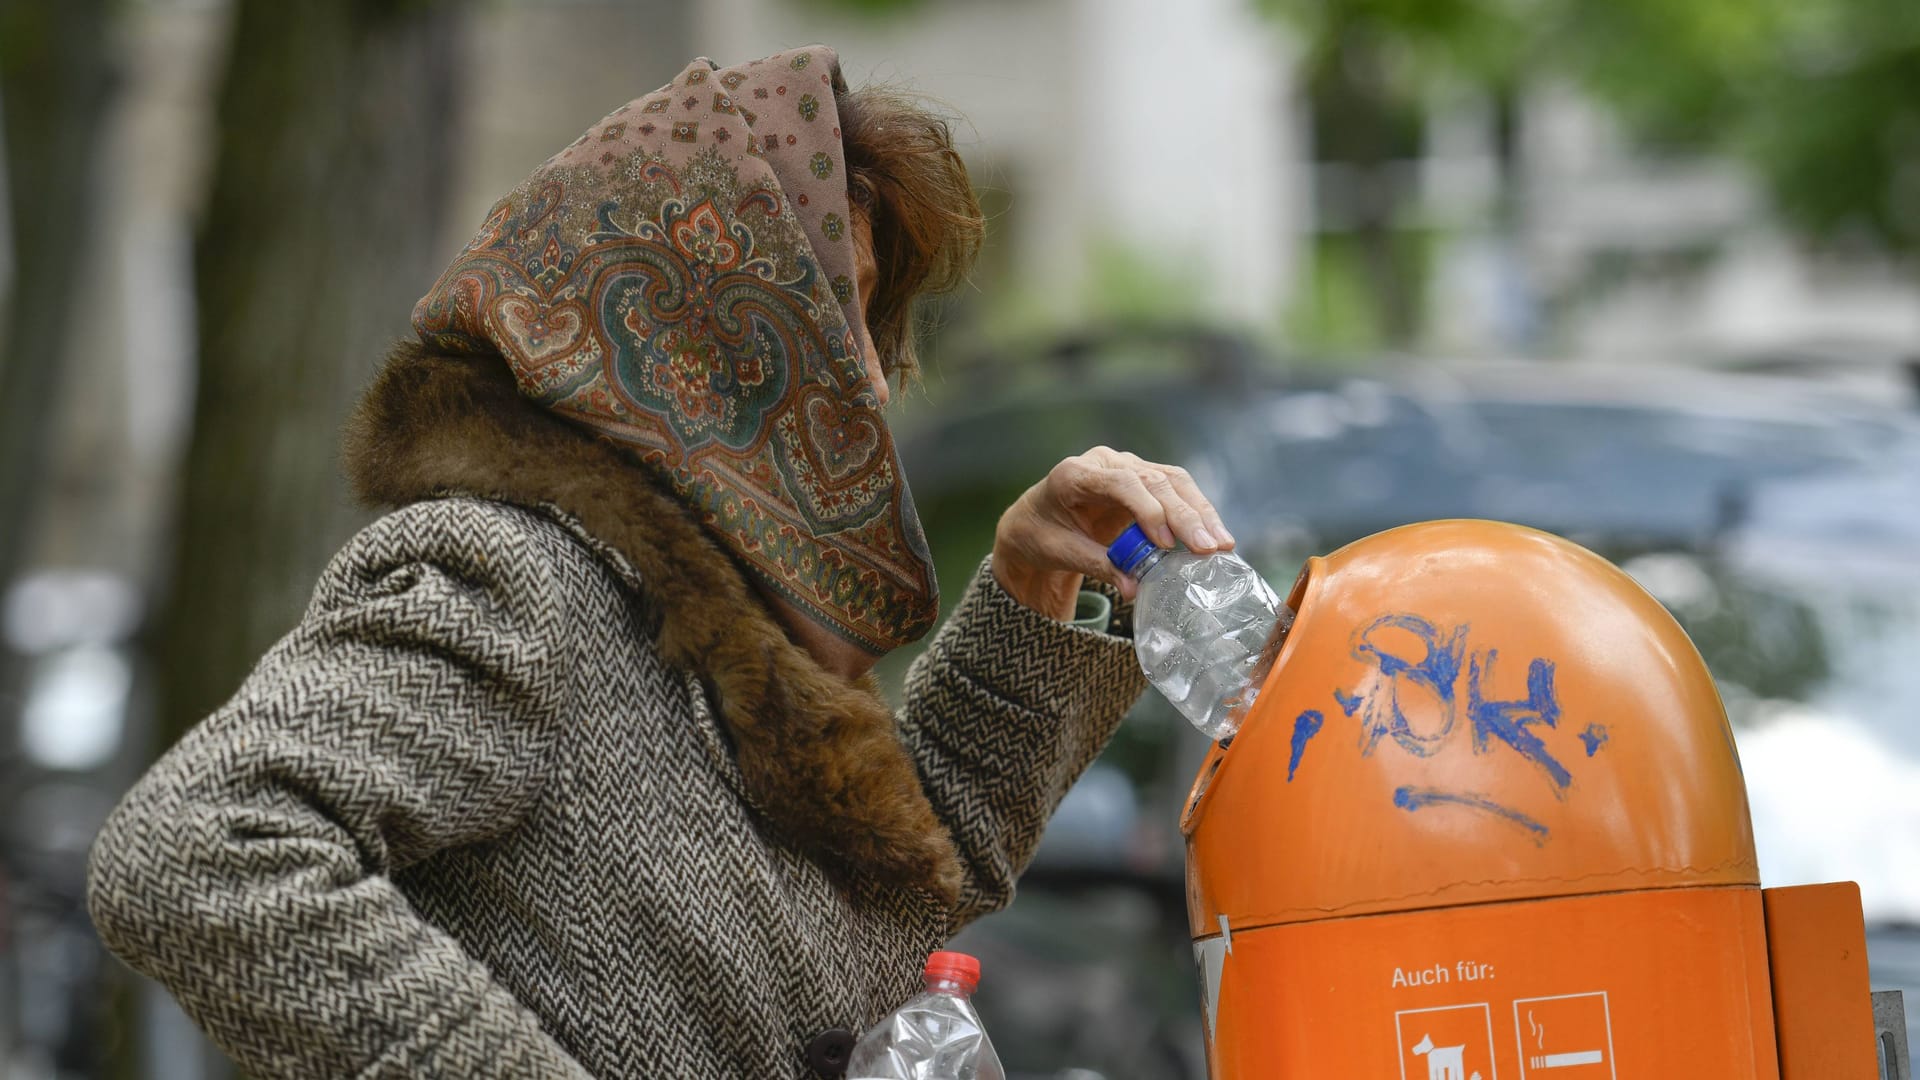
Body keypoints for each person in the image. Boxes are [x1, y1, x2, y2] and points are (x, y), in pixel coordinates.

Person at [86, 46, 1233, 1079]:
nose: (872, 381)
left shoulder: (704, 613)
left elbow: (893, 905)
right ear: (691, 320)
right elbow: (197, 852)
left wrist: (1032, 592)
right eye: (836, 312)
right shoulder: (511, 574)